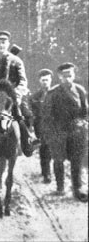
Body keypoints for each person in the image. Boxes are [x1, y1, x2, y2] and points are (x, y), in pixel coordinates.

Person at [42, 63, 88, 202]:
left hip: (76, 131)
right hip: (59, 132)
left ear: (73, 76)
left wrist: (83, 123)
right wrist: (50, 134)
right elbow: (47, 115)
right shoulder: (53, 92)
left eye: (70, 75)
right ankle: (60, 187)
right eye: (64, 76)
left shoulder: (79, 90)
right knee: (58, 159)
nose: (67, 79)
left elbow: (85, 111)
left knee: (77, 160)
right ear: (59, 77)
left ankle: (77, 188)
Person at [29, 69, 53, 184]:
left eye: (47, 80)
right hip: (41, 127)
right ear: (39, 81)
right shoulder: (35, 96)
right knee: (45, 149)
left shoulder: (56, 94)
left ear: (51, 80)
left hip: (55, 126)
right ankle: (46, 173)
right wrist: (32, 128)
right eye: (43, 80)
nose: (45, 82)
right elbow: (31, 113)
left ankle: (54, 172)